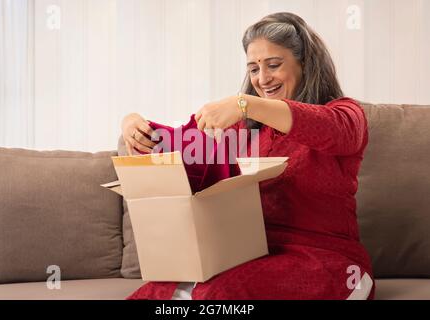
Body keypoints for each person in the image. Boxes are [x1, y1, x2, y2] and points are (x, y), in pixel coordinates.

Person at [120, 12, 374, 300]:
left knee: (219, 295)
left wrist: (244, 104)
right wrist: (132, 124)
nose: (262, 79)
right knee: (156, 293)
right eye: (253, 69)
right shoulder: (243, 128)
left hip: (330, 261)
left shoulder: (345, 114)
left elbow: (333, 130)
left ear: (304, 64)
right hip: (251, 254)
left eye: (273, 65)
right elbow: (178, 146)